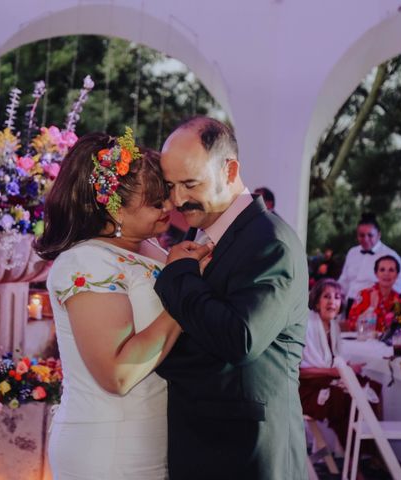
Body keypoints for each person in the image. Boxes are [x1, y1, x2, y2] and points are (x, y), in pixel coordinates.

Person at [154, 116, 309, 479]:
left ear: (230, 169)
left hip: (247, 452)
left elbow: (240, 338)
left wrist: (179, 276)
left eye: (190, 183)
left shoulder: (270, 241)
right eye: (171, 186)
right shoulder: (198, 234)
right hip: (202, 443)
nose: (177, 200)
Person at [37, 130, 195, 480]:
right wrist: (183, 302)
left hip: (147, 437)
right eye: (156, 202)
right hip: (110, 443)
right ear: (112, 207)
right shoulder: (86, 261)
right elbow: (117, 373)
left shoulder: (147, 248)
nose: (169, 207)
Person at [300, 278, 381, 448]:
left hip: (325, 381)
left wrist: (344, 368)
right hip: (306, 390)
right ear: (316, 302)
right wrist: (335, 372)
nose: (332, 302)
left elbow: (331, 362)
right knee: (345, 397)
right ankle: (354, 461)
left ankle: (372, 452)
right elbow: (296, 371)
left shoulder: (334, 327)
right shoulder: (306, 326)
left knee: (371, 386)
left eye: (337, 297)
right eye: (326, 296)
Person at [338, 213, 401, 315]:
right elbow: (344, 281)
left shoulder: (390, 255)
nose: (365, 239)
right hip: (350, 304)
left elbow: (400, 287)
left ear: (379, 235)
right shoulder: (352, 252)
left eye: (370, 235)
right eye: (361, 235)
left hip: (375, 306)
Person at [347, 255, 401, 332]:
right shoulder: (364, 295)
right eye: (382, 270)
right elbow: (351, 324)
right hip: (365, 342)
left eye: (391, 270)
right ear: (376, 274)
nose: (386, 273)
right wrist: (371, 309)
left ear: (397, 275)